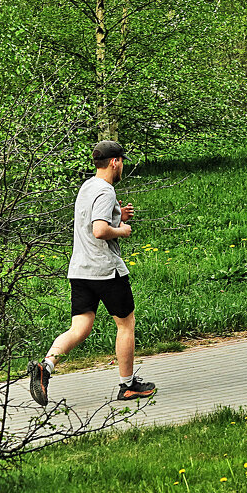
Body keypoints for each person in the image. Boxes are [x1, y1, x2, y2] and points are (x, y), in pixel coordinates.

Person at [28, 140, 157, 405]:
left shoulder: (87, 186)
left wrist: (119, 217)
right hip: (105, 270)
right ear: (115, 162)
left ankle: (46, 366)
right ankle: (128, 385)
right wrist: (122, 230)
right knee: (125, 324)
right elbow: (99, 230)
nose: (122, 165)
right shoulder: (106, 191)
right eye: (122, 161)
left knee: (80, 326)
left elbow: (93, 224)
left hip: (80, 269)